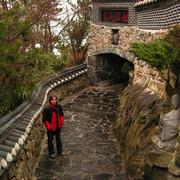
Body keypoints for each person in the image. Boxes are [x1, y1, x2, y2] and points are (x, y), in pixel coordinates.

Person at [43, 95, 65, 159]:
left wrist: (61, 122)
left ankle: (60, 151)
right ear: (50, 101)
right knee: (50, 141)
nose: (54, 101)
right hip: (51, 128)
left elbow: (61, 114)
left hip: (58, 127)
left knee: (58, 139)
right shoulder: (47, 109)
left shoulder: (58, 106)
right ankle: (51, 153)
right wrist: (49, 127)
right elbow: (44, 119)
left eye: (55, 99)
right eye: (52, 100)